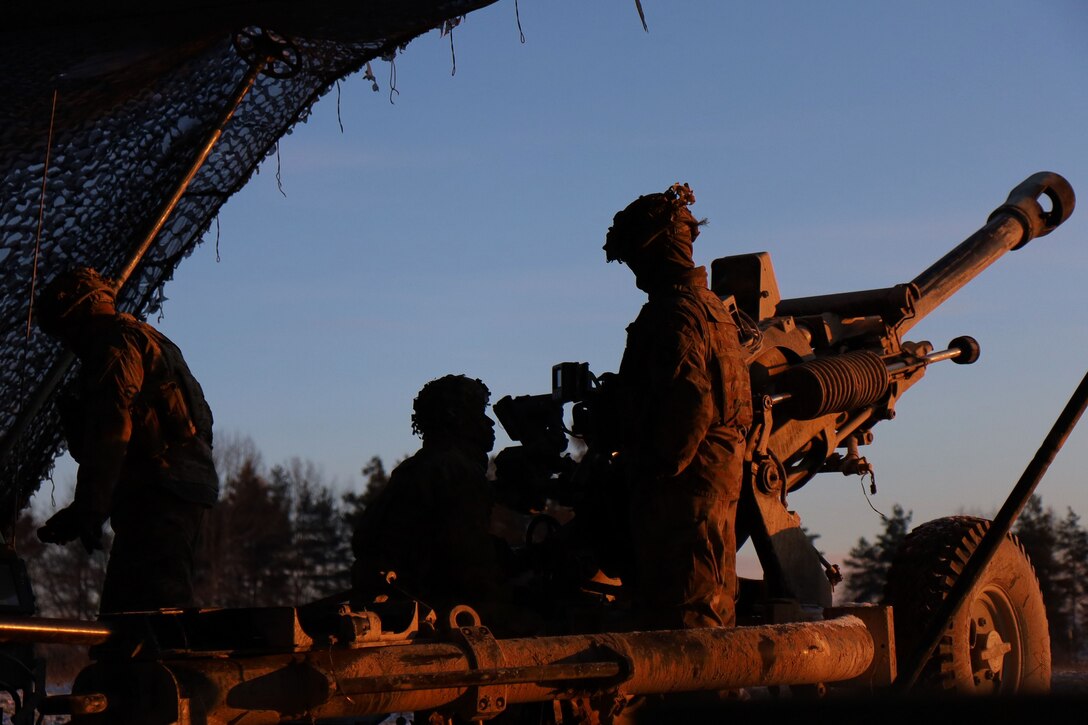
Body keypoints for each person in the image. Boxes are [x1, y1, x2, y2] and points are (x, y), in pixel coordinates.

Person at [604, 182, 753, 630]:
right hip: (706, 487)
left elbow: (689, 407)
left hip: (681, 498)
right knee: (709, 613)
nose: (633, 272)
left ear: (657, 250)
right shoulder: (711, 308)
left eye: (634, 257)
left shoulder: (674, 313)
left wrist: (643, 469)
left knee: (687, 624)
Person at [34, 267, 219, 613]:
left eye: (66, 330)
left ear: (80, 315)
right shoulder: (142, 337)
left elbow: (111, 431)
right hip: (174, 487)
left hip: (161, 490)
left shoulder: (115, 345)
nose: (69, 343)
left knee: (152, 614)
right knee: (131, 615)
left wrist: (88, 509)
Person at [351, 375, 511, 625]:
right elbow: (469, 563)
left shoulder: (416, 466)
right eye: (479, 413)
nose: (489, 423)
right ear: (455, 418)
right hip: (431, 607)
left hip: (400, 601)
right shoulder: (455, 471)